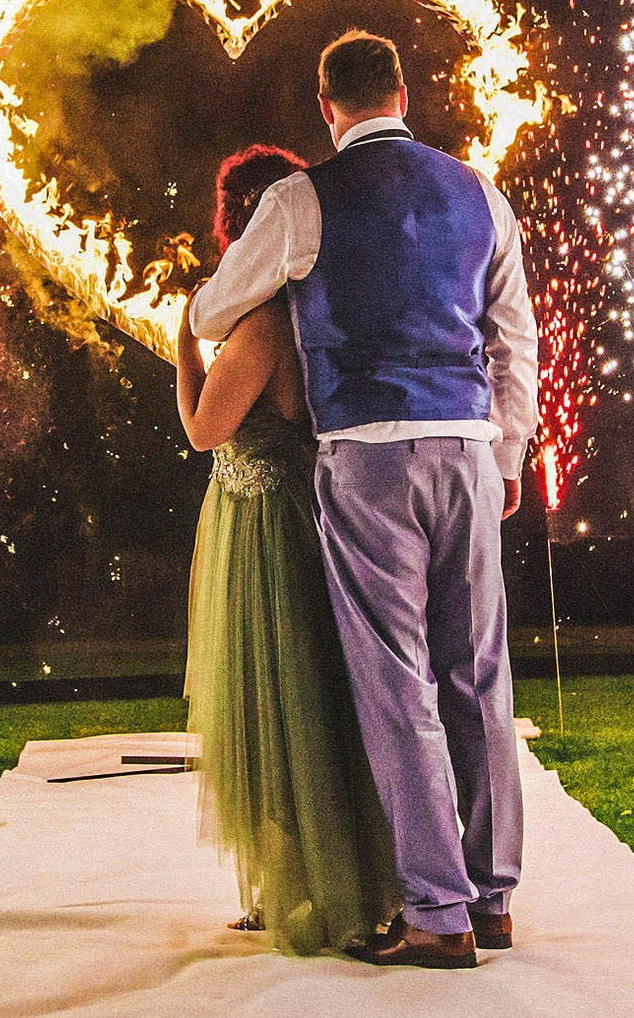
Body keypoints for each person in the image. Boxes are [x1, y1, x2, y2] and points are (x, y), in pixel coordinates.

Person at [189, 30, 538, 971]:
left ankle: (437, 911)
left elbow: (216, 309)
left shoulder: (301, 198)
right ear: (404, 91)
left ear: (325, 107)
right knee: (478, 673)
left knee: (397, 685)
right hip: (467, 450)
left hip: (367, 458)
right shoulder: (479, 193)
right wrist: (507, 459)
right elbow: (515, 338)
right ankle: (494, 895)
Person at [175, 144, 400, 955]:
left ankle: (300, 889)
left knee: (274, 702)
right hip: (303, 509)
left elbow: (204, 430)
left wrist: (182, 342)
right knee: (314, 696)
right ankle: (340, 878)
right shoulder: (320, 310)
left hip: (263, 523)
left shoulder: (262, 323)